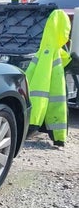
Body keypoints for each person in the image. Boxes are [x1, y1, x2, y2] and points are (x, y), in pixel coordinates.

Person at [25, 9, 70, 146]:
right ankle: (58, 138)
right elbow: (47, 95)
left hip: (35, 113)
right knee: (58, 105)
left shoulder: (44, 50)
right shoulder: (53, 53)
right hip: (44, 115)